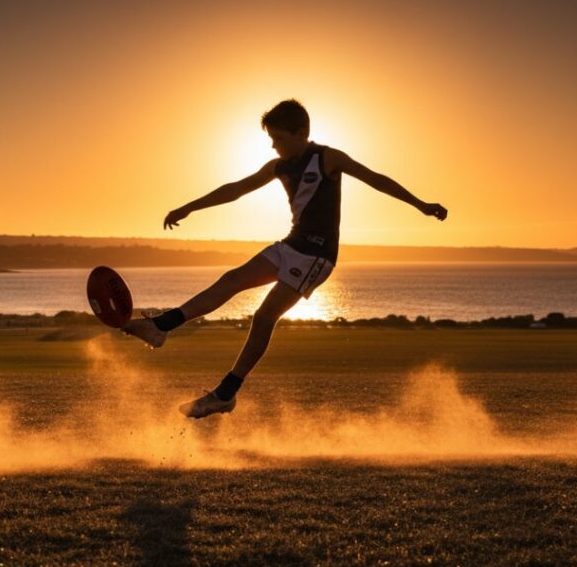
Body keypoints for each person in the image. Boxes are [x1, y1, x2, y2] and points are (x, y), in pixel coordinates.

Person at [124, 99, 447, 418]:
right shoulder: (278, 167)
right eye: (271, 139)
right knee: (231, 280)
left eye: (279, 138)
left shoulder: (328, 158)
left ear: (301, 132)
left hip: (316, 256)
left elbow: (376, 179)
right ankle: (160, 327)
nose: (274, 146)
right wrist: (189, 207)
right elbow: (236, 188)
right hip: (290, 245)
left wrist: (421, 205)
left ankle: (225, 393)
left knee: (263, 318)